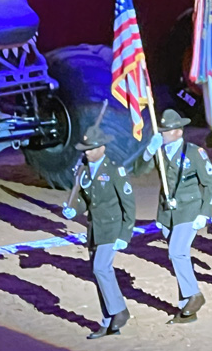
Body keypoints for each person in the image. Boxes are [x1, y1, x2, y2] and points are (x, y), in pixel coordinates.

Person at [142, 109, 212, 324]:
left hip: (189, 210)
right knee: (179, 258)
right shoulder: (160, 151)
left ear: (178, 131)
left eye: (166, 130)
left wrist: (204, 213)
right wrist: (149, 150)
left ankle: (195, 295)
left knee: (177, 253)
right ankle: (187, 310)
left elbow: (210, 184)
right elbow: (140, 170)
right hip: (167, 213)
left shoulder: (194, 152)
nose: (163, 134)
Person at [62, 124, 136, 339]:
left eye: (91, 148)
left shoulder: (114, 171)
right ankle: (108, 321)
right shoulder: (83, 171)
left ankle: (119, 311)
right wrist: (73, 209)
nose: (86, 152)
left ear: (102, 148)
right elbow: (86, 202)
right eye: (85, 149)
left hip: (112, 228)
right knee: (98, 275)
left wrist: (125, 235)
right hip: (95, 229)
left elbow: (128, 204)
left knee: (101, 268)